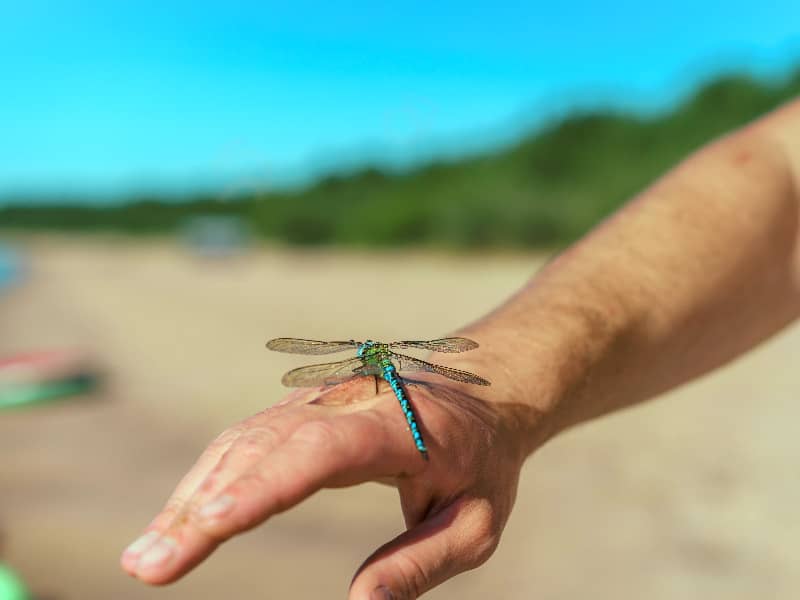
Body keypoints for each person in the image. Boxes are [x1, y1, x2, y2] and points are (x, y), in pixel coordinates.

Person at [120, 97, 800, 599]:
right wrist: (492, 399)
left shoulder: (385, 365)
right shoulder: (387, 363)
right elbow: (782, 168)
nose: (365, 365)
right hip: (428, 383)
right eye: (366, 363)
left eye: (367, 362)